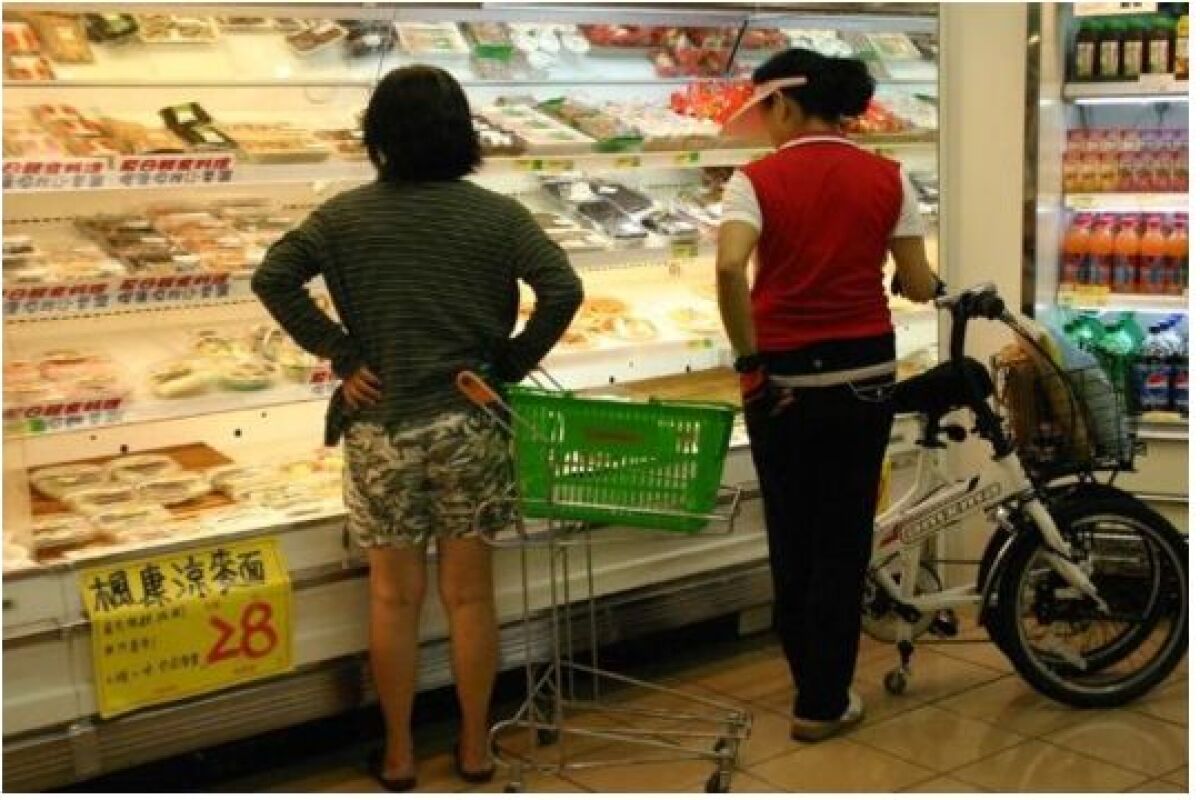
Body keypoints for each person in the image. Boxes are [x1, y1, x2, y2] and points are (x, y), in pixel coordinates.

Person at [253, 65, 583, 790]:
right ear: (462, 133)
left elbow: (272, 277)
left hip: (381, 427)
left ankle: (399, 753)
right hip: (471, 423)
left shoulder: (342, 217)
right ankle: (474, 748)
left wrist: (342, 353)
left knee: (391, 597)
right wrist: (511, 363)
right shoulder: (498, 215)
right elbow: (562, 287)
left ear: (378, 137)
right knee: (471, 596)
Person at [714, 49, 939, 743]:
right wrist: (915, 282)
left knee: (792, 534)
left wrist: (749, 358)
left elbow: (729, 267)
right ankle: (824, 699)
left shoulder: (753, 181)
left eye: (764, 110)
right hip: (864, 374)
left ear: (783, 104)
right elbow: (918, 281)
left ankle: (806, 680)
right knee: (843, 538)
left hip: (780, 379)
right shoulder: (889, 177)